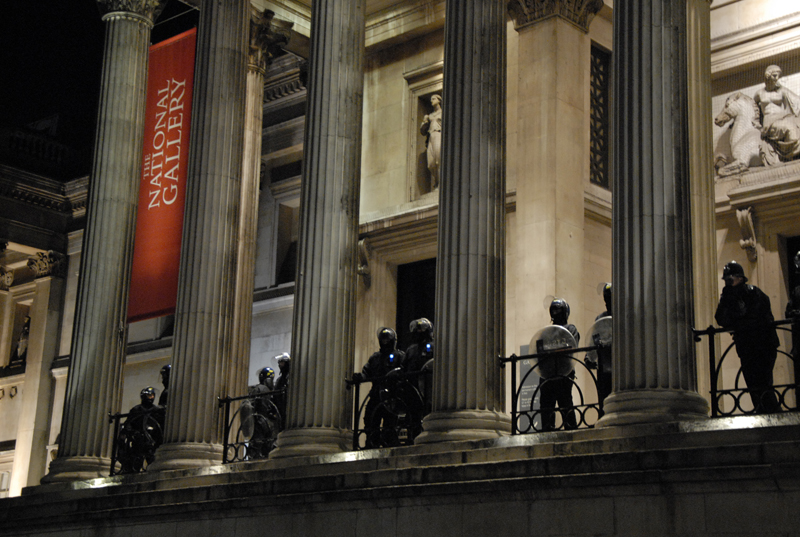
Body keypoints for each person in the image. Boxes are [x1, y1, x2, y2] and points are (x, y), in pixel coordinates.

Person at [715, 261, 781, 414]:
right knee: (752, 383)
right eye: (726, 281)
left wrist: (737, 320)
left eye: (730, 280)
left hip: (763, 344)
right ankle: (762, 411)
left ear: (740, 278)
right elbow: (721, 319)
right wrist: (725, 299)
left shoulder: (754, 293)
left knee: (764, 383)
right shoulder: (729, 297)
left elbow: (753, 317)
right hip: (746, 346)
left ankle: (773, 413)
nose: (728, 284)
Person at [355, 327, 406, 448]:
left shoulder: (399, 355)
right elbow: (366, 371)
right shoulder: (375, 357)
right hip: (376, 394)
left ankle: (390, 442)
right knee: (370, 419)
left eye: (387, 339)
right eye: (383, 339)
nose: (385, 342)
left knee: (390, 422)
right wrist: (360, 376)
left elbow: (405, 372)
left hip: (392, 395)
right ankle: (372, 442)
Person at [539, 298, 579, 431]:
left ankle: (572, 433)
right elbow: (539, 351)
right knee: (546, 409)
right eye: (554, 310)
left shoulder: (570, 329)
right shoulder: (546, 331)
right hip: (547, 374)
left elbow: (571, 347)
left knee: (566, 405)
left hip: (564, 373)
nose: (556, 313)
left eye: (558, 310)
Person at [753, 65, 800, 165]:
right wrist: (756, 121)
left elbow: (796, 100)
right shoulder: (759, 94)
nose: (777, 78)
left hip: (783, 117)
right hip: (770, 121)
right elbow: (753, 107)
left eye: (778, 76)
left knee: (795, 128)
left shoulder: (782, 90)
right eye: (774, 75)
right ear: (767, 76)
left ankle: (790, 154)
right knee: (789, 128)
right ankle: (787, 154)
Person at [117, 387, 164, 473]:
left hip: (152, 438)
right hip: (138, 437)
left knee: (151, 457)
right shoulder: (136, 409)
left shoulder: (157, 410)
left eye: (152, 395)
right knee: (136, 457)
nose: (151, 398)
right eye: (149, 395)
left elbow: (160, 424)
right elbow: (129, 423)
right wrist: (131, 432)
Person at [404, 318, 434, 437]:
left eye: (422, 329)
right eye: (417, 329)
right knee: (412, 417)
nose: (419, 332)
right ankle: (412, 438)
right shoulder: (411, 350)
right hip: (412, 387)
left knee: (429, 414)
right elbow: (404, 367)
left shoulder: (434, 346)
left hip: (429, 389)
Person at [584, 283, 612, 409]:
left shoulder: (624, 315)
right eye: (606, 298)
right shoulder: (600, 318)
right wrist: (588, 356)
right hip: (604, 364)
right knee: (603, 397)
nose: (608, 301)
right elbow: (594, 338)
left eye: (610, 297)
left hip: (620, 364)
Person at [420, 94, 442, 189]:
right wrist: (425, 122)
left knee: (439, 159)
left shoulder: (442, 112)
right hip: (431, 137)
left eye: (433, 99)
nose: (431, 101)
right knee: (431, 163)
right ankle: (437, 182)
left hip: (438, 135)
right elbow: (423, 131)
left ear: (439, 100)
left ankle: (441, 183)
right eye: (431, 99)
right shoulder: (429, 116)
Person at [273, 352, 291, 429]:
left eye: (282, 363)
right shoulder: (279, 380)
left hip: (288, 408)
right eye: (279, 363)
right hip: (280, 409)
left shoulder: (290, 377)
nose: (280, 365)